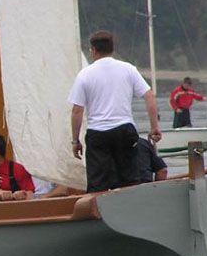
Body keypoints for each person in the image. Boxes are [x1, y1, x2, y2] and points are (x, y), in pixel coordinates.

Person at [68, 30, 162, 192]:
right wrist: (154, 127)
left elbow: (77, 111)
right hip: (124, 130)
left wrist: (75, 141)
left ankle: (100, 213)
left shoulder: (84, 75)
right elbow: (149, 97)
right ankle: (132, 208)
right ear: (112, 49)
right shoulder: (128, 69)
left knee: (99, 184)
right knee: (130, 179)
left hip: (98, 133)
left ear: (93, 50)